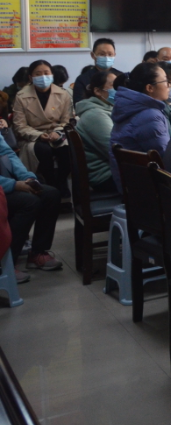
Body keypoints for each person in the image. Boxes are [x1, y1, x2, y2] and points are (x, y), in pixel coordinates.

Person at [12, 60, 74, 202]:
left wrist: (57, 132)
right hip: (32, 136)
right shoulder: (21, 96)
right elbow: (19, 126)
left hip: (57, 133)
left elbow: (67, 120)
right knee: (43, 150)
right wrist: (39, 135)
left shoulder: (63, 94)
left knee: (68, 149)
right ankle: (50, 182)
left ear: (52, 75)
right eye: (38, 74)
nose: (43, 77)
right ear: (30, 77)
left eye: (46, 73)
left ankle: (61, 180)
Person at [2, 135, 63, 278]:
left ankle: (38, 252)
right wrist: (14, 185)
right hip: (4, 187)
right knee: (29, 202)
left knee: (50, 195)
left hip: (7, 185)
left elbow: (8, 154)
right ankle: (6, 263)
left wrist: (27, 178)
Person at [109, 62, 171, 191]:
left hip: (132, 186)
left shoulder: (132, 107)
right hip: (148, 190)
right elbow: (166, 160)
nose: (169, 85)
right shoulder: (150, 116)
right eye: (165, 81)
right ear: (150, 88)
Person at [75, 68, 120, 193]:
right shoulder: (95, 115)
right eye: (114, 86)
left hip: (114, 169)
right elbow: (115, 150)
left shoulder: (109, 109)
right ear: (98, 91)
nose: (119, 90)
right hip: (105, 175)